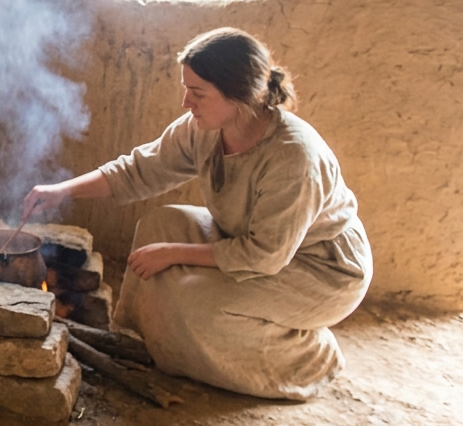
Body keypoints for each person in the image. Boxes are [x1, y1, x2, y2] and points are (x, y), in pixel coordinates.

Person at [23, 28, 372, 401]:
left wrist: (173, 253)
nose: (187, 101)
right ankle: (148, 339)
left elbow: (264, 255)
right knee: (158, 225)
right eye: (186, 88)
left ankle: (309, 356)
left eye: (198, 93)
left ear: (240, 95)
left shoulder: (294, 158)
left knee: (196, 308)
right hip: (247, 240)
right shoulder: (204, 129)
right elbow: (137, 171)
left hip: (320, 270)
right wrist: (61, 191)